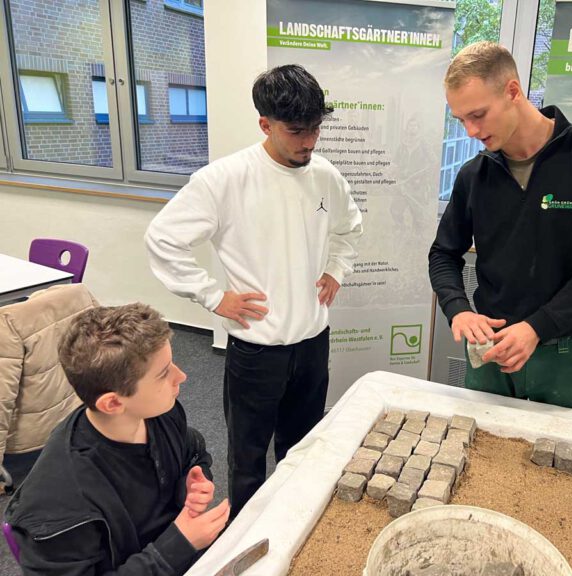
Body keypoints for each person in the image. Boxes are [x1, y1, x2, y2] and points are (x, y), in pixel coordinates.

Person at [145, 64, 363, 517]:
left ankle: (293, 525)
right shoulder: (224, 180)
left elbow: (349, 228)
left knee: (301, 448)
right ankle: (244, 537)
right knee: (247, 457)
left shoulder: (325, 175)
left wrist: (337, 269)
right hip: (256, 349)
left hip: (312, 342)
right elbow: (163, 239)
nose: (308, 141)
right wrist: (212, 295)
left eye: (316, 129)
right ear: (265, 124)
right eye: (297, 130)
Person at [428, 42, 572, 416]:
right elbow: (443, 253)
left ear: (513, 91)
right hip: (491, 355)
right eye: (461, 120)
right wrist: (458, 310)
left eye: (478, 115)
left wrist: (537, 327)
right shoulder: (475, 175)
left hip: (565, 355)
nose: (470, 131)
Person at [5, 303, 229, 575]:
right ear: (112, 403)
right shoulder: (60, 504)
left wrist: (191, 481)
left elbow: (193, 450)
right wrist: (177, 545)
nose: (181, 376)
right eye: (163, 374)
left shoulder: (159, 414)